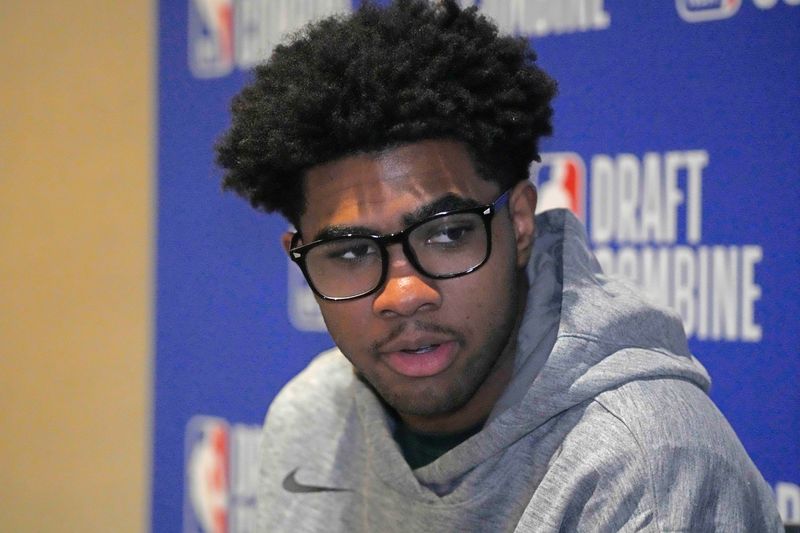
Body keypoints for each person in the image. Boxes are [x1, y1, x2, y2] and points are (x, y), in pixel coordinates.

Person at [216, 1, 782, 531]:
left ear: (520, 224)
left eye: (446, 234)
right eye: (351, 252)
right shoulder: (310, 420)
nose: (403, 293)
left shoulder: (646, 464)